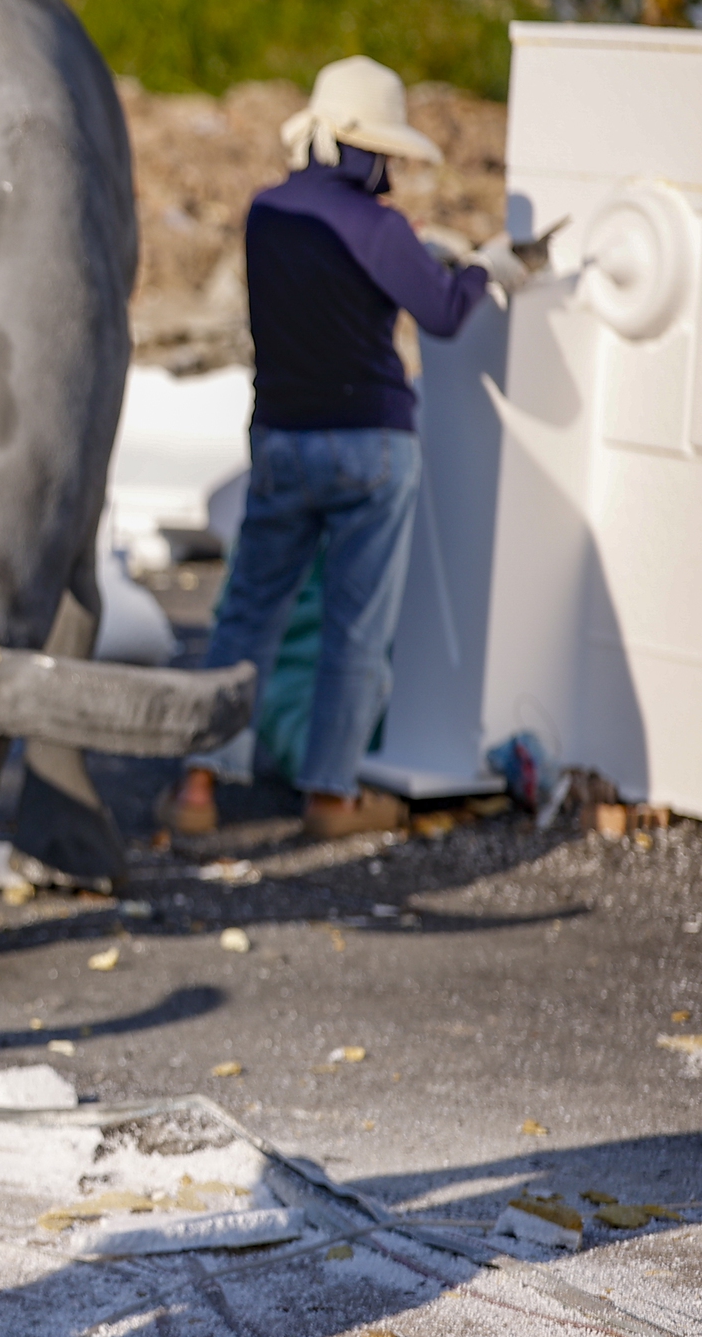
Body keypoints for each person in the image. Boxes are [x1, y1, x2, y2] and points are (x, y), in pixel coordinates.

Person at [167, 55, 522, 841]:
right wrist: (481, 271)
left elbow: (318, 289)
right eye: (384, 153)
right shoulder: (381, 227)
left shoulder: (266, 214)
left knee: (246, 617)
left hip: (283, 439)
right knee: (356, 630)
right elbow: (441, 313)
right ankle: (330, 798)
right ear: (362, 147)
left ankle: (197, 786)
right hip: (371, 451)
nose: (389, 171)